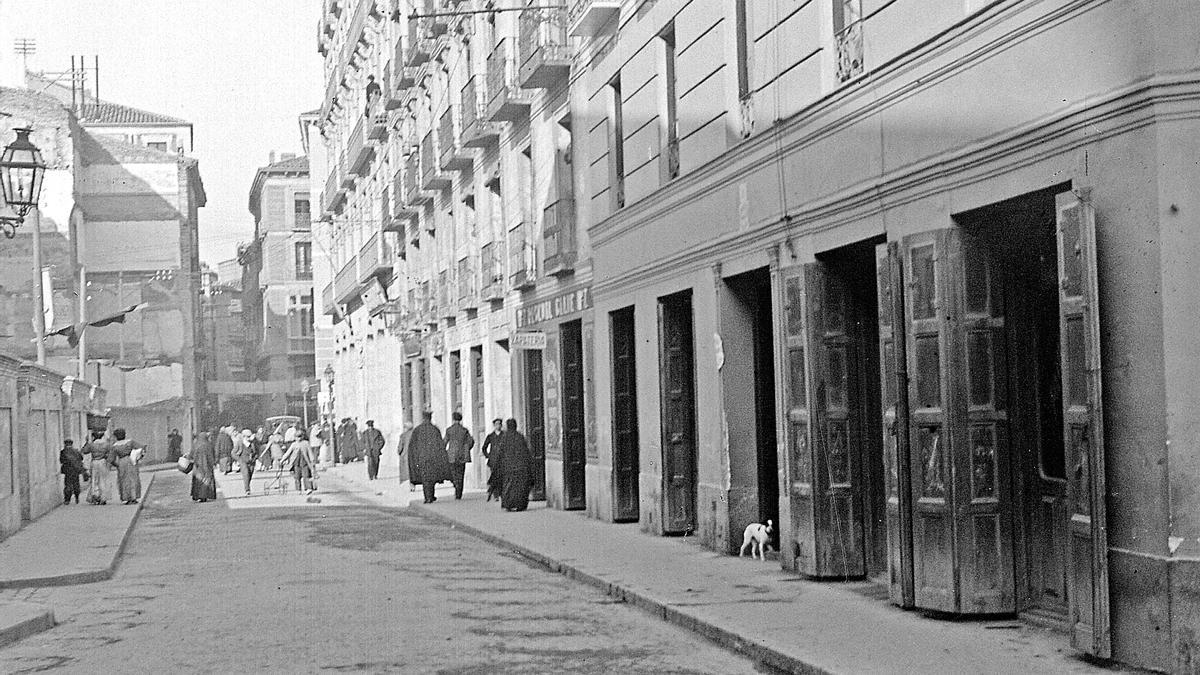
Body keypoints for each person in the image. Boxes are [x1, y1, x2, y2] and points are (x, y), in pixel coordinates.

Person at [410, 410, 449, 504]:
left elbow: (412, 447)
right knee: (432, 477)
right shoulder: (435, 429)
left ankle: (427, 497)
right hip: (433, 458)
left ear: (423, 418)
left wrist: (414, 459)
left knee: (425, 478)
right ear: (430, 418)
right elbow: (440, 445)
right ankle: (430, 496)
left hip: (421, 459)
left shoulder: (417, 430)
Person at [498, 418, 534, 512]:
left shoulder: (504, 437)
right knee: (520, 487)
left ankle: (509, 504)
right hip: (521, 466)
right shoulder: (520, 437)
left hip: (508, 467)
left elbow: (500, 453)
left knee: (509, 486)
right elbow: (526, 452)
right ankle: (520, 505)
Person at [444, 412, 475, 500]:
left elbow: (444, 442)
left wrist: (445, 451)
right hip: (462, 455)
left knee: (453, 473)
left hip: (452, 455)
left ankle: (455, 483)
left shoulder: (449, 430)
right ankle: (459, 494)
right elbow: (471, 441)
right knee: (461, 474)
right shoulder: (464, 430)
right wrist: (466, 448)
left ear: (453, 419)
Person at [110, 428, 144, 505]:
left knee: (123, 479)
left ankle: (126, 497)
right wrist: (138, 457)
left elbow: (111, 459)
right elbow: (141, 448)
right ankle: (134, 497)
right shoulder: (130, 442)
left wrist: (117, 465)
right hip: (131, 460)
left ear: (116, 436)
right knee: (133, 478)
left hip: (121, 462)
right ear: (124, 435)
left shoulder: (114, 446)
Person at [281, 429, 317, 494]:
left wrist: (312, 460)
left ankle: (308, 488)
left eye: (300, 436)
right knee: (297, 476)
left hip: (305, 461)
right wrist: (282, 459)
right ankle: (298, 489)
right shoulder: (294, 444)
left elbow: (309, 452)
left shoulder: (306, 443)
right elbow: (288, 453)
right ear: (295, 437)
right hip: (296, 462)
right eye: (297, 437)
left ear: (303, 436)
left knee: (306, 475)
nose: (299, 438)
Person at [83, 431, 112, 505]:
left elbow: (85, 451)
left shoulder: (92, 445)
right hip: (102, 462)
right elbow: (110, 453)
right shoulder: (106, 444)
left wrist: (87, 442)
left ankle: (95, 495)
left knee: (94, 480)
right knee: (103, 479)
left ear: (94, 437)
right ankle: (103, 497)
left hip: (94, 462)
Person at [189, 431, 218, 502]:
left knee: (198, 481)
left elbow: (191, 455)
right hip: (207, 466)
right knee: (206, 480)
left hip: (197, 466)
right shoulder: (208, 445)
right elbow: (211, 455)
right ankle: (204, 495)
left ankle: (197, 495)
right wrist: (213, 463)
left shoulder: (196, 445)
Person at [481, 418, 503, 502]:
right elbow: (484, 448)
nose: (498, 426)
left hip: (502, 460)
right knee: (494, 477)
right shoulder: (490, 436)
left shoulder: (504, 435)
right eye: (496, 424)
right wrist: (488, 456)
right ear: (494, 426)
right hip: (493, 460)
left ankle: (500, 493)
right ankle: (496, 495)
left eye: (499, 424)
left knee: (501, 477)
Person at [60, 439, 86, 505]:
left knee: (68, 484)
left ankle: (67, 500)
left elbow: (61, 460)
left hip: (68, 471)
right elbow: (81, 458)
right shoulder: (76, 451)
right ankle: (77, 498)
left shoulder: (63, 451)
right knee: (76, 484)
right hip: (76, 470)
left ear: (65, 444)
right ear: (72, 444)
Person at [233, 429, 257, 496]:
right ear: (244, 436)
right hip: (243, 461)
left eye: (250, 436)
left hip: (251, 462)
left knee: (250, 475)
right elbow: (233, 453)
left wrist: (255, 458)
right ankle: (247, 489)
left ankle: (247, 486)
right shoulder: (239, 443)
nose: (249, 438)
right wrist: (239, 460)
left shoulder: (253, 443)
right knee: (246, 474)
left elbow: (256, 451)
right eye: (248, 436)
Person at [397, 421, 414, 489]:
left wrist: (399, 452)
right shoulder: (415, 434)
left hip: (405, 455)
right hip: (414, 455)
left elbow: (400, 446)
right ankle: (412, 485)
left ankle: (411, 485)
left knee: (407, 471)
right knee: (412, 471)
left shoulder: (403, 435)